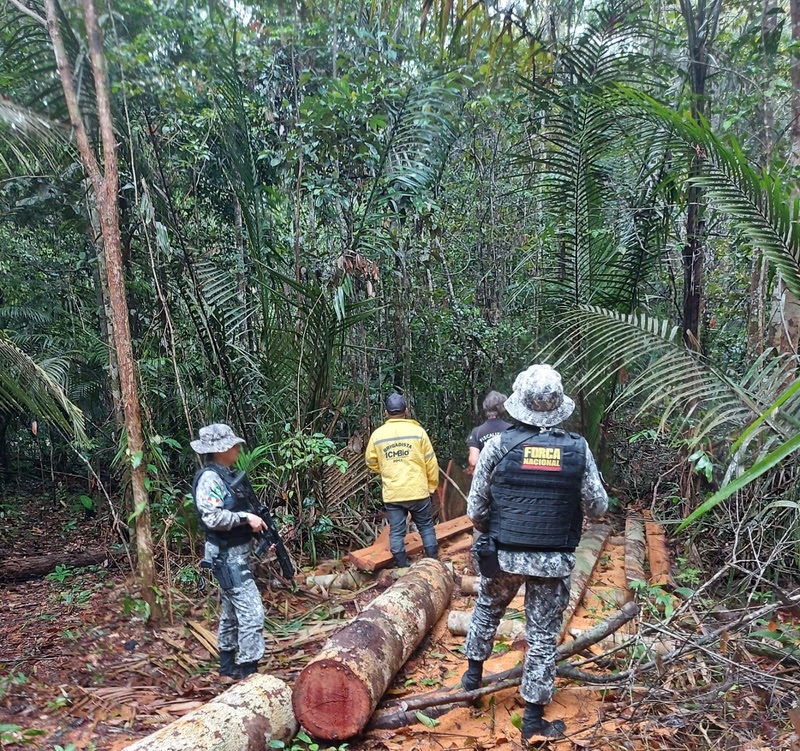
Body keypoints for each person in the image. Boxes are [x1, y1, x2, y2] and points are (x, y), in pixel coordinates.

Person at [461, 364, 608, 742]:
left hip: (503, 554)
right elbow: (598, 507)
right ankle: (533, 722)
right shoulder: (578, 449)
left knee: (487, 608)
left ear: (518, 404)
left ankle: (471, 680)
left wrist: (499, 527)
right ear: (558, 406)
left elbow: (475, 511)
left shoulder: (497, 445)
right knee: (542, 636)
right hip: (551, 559)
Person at [191, 423, 268, 680]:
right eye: (233, 445)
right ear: (220, 449)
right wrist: (246, 518)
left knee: (233, 613)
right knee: (252, 613)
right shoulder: (210, 478)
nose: (237, 449)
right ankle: (249, 672)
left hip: (235, 554)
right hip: (227, 558)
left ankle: (227, 668)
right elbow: (212, 518)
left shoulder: (225, 474)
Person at [365, 392, 440, 568]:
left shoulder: (378, 435)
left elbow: (370, 461)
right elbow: (431, 461)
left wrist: (385, 470)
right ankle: (432, 562)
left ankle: (402, 566)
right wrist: (432, 486)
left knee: (396, 532)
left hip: (393, 493)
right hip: (417, 491)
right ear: (406, 411)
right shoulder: (418, 432)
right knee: (426, 527)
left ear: (386, 413)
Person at [467, 390, 511, 474]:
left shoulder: (477, 432)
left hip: (485, 478)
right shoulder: (511, 429)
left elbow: (473, 461)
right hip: (506, 478)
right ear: (502, 408)